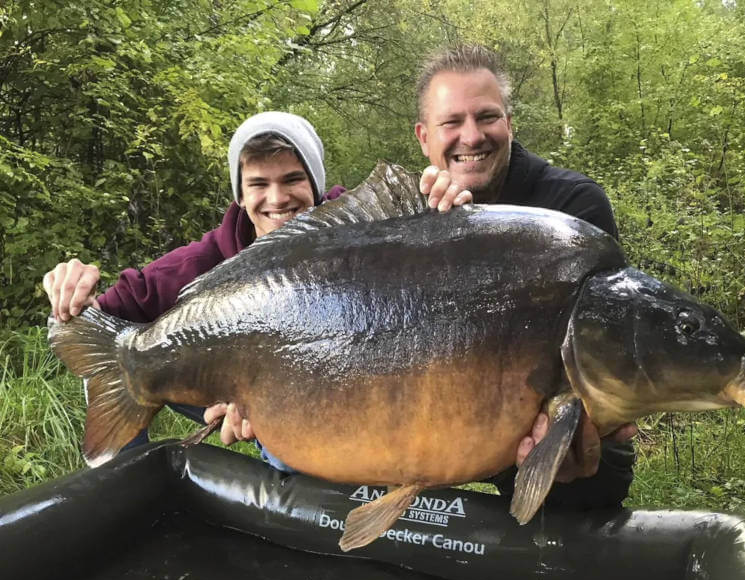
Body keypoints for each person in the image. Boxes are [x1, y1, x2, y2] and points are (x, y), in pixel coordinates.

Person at [42, 110, 473, 466]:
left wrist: (448, 205)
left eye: (291, 180)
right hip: (243, 384)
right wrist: (71, 292)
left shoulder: (365, 232)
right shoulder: (205, 259)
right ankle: (126, 487)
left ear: (316, 185)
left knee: (295, 458)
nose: (276, 199)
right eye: (258, 185)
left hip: (348, 392)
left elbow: (438, 259)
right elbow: (106, 314)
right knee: (118, 365)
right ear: (240, 195)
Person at [413, 44, 637, 508]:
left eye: (487, 117)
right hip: (451, 410)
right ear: (423, 137)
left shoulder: (575, 206)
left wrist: (478, 225)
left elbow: (605, 346)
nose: (471, 137)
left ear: (509, 124)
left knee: (583, 471)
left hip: (549, 409)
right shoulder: (418, 216)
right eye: (451, 122)